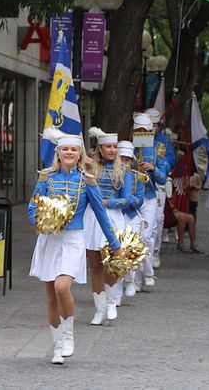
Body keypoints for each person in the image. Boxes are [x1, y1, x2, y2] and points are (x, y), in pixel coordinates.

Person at [29, 129, 122, 365]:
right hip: (49, 239)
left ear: (79, 153)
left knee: (62, 287)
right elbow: (32, 208)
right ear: (58, 153)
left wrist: (115, 244)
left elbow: (101, 215)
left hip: (73, 240)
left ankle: (69, 335)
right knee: (50, 295)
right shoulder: (45, 178)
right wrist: (42, 220)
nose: (69, 152)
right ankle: (57, 346)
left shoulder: (87, 180)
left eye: (73, 149)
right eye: (64, 149)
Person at [83, 128, 132, 324]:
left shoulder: (125, 170)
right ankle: (99, 309)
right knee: (94, 265)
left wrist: (105, 203)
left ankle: (112, 302)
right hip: (91, 219)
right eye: (108, 147)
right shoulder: (90, 167)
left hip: (113, 218)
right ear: (99, 148)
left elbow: (127, 200)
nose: (112, 150)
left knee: (111, 263)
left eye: (114, 147)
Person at [132, 113, 169, 288]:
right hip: (130, 199)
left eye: (144, 131)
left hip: (149, 198)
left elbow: (162, 179)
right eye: (137, 131)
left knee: (146, 236)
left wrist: (153, 169)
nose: (141, 134)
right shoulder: (125, 149)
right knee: (134, 238)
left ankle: (147, 273)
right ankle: (135, 280)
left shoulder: (157, 151)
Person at [143, 108, 176, 270]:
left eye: (154, 125)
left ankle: (154, 252)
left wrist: (159, 166)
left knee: (157, 219)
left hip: (158, 182)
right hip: (139, 185)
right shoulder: (137, 139)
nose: (151, 128)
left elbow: (171, 159)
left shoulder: (164, 140)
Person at [117, 141, 146, 298]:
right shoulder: (110, 175)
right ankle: (117, 284)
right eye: (121, 159)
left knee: (131, 250)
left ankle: (131, 281)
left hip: (132, 216)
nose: (124, 163)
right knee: (116, 250)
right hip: (116, 216)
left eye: (127, 160)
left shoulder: (138, 177)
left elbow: (139, 201)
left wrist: (127, 198)